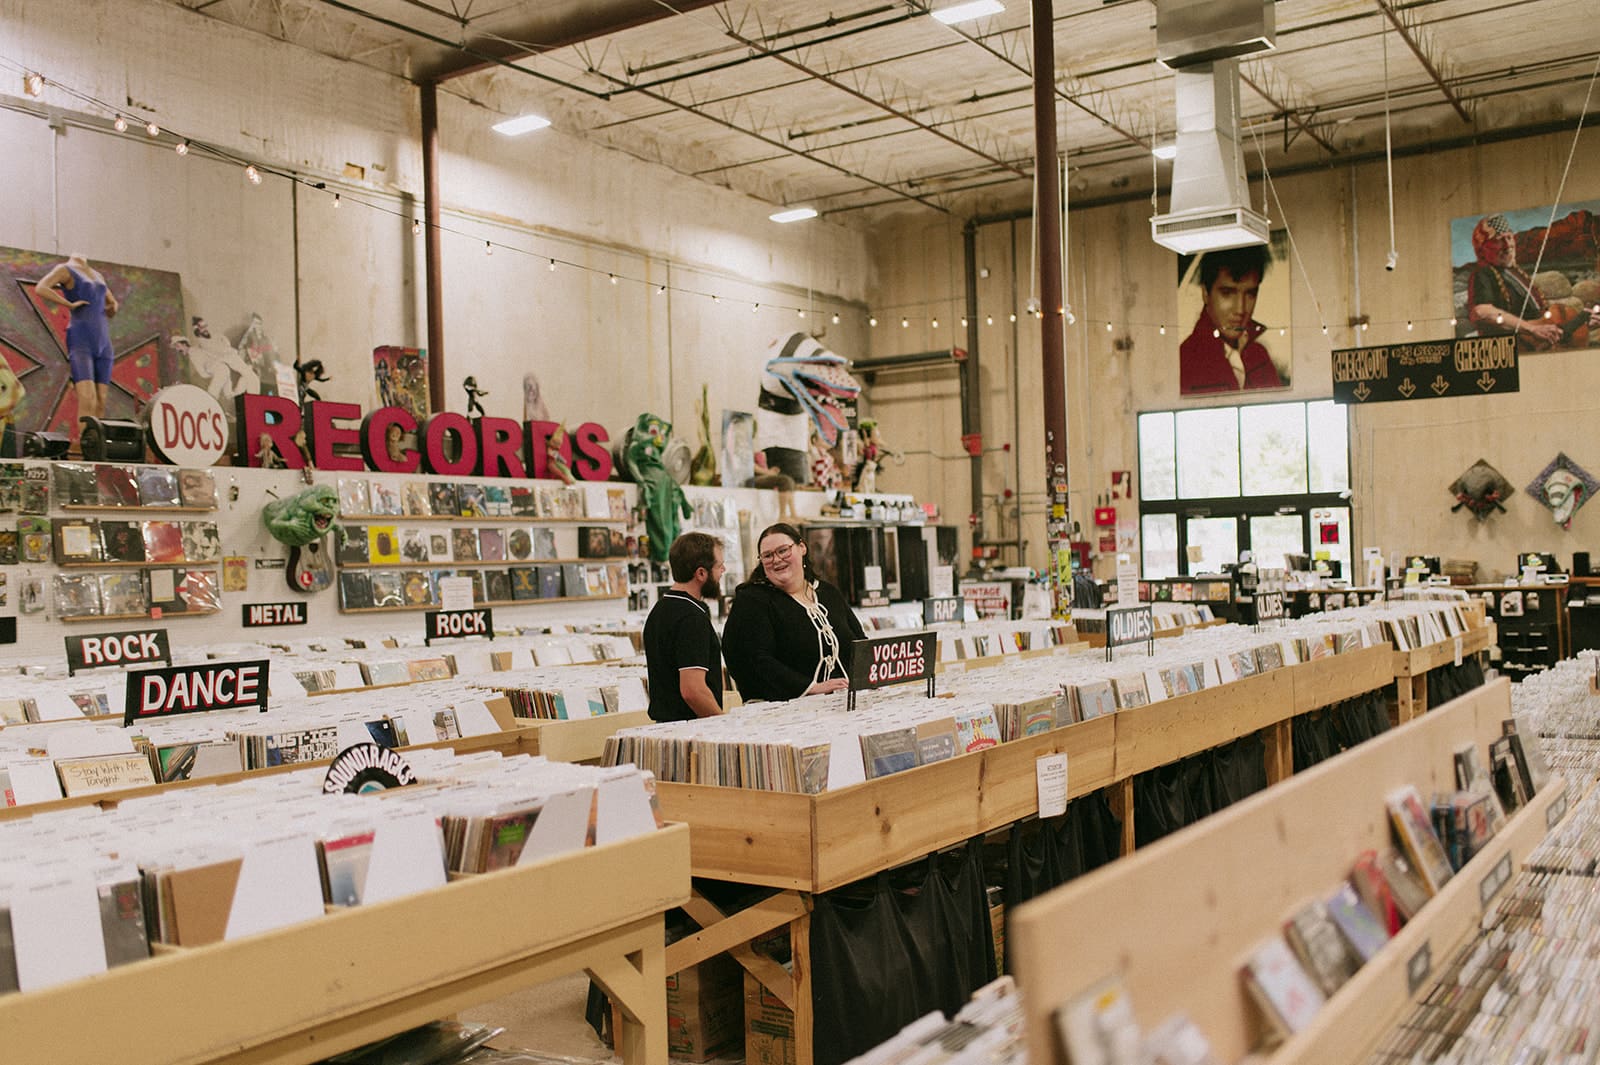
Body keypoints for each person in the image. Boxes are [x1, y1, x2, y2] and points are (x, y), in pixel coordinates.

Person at [721, 522, 866, 702]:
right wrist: (812, 688)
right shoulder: (752, 600)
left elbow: (860, 643)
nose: (776, 559)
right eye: (767, 556)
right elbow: (756, 660)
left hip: (846, 702)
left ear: (802, 548)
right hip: (786, 711)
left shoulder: (828, 593)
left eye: (783, 550)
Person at [1465, 213, 1598, 351]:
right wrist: (1531, 329)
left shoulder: (1515, 272)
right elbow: (1481, 312)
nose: (1508, 245)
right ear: (1482, 248)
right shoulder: (1483, 274)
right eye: (1499, 240)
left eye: (1509, 237)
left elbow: (1543, 323)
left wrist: (1582, 325)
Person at [35, 254, 119, 445]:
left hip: (103, 340)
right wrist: (68, 304)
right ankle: (85, 445)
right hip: (81, 339)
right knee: (87, 397)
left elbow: (112, 302)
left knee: (101, 399)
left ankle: (97, 446)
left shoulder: (97, 274)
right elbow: (41, 288)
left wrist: (112, 307)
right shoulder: (65, 269)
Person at [643, 532, 727, 722]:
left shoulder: (660, 609)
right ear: (701, 573)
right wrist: (723, 724)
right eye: (719, 566)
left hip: (667, 728)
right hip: (690, 731)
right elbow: (693, 690)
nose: (723, 570)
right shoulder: (691, 618)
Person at [1179, 245, 1282, 396]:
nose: (1240, 309)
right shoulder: (1186, 361)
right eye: (1228, 293)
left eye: (1250, 294)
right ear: (1205, 293)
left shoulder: (1260, 356)